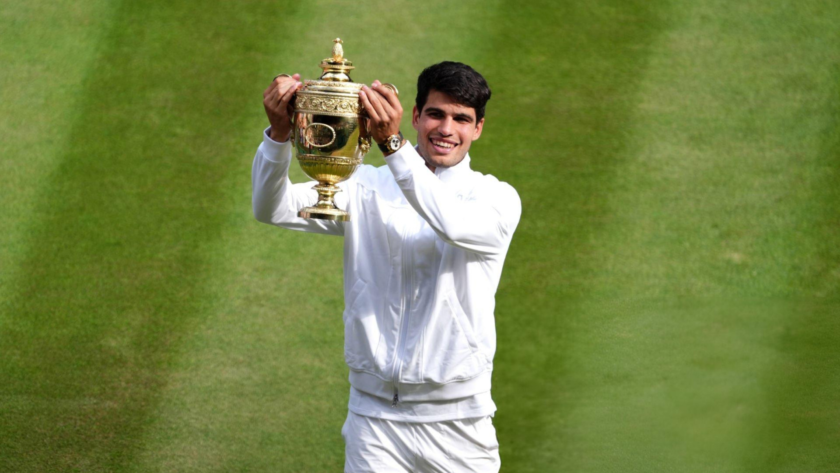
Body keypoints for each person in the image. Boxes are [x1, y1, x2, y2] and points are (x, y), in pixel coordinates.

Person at [253, 61, 521, 472]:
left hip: (459, 425)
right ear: (416, 116)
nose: (446, 129)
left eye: (461, 119)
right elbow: (272, 208)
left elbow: (448, 221)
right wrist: (279, 135)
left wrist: (393, 146)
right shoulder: (366, 187)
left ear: (478, 128)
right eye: (435, 114)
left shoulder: (496, 199)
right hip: (373, 421)